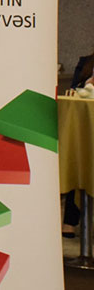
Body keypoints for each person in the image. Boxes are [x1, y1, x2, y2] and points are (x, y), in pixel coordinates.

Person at [63, 49, 94, 236]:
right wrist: (89, 84)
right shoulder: (85, 63)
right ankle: (70, 221)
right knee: (77, 159)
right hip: (83, 125)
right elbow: (73, 92)